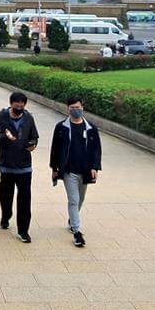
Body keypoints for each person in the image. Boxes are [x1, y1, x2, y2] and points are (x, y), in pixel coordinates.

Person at [50, 96, 102, 248]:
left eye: (78, 107)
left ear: (83, 107)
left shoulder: (91, 128)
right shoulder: (61, 127)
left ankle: (72, 220)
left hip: (85, 170)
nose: (76, 110)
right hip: (69, 171)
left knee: (80, 199)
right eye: (72, 107)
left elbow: (96, 150)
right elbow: (55, 149)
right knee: (73, 199)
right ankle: (77, 231)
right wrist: (54, 168)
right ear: (68, 109)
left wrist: (95, 167)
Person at [0, 91, 39, 243]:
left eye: (22, 105)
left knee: (25, 199)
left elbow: (34, 137)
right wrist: (6, 137)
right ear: (11, 104)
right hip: (7, 166)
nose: (19, 108)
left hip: (24, 166)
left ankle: (23, 230)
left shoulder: (28, 117)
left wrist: (33, 145)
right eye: (16, 105)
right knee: (6, 195)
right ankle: (6, 215)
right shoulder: (2, 116)